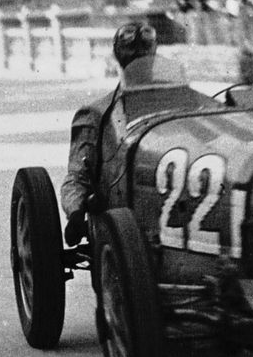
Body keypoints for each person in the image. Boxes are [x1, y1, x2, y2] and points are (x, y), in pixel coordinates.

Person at [59, 20, 215, 246]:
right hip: (124, 220)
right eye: (132, 49)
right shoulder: (96, 114)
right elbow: (78, 176)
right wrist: (75, 212)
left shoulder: (192, 99)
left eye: (143, 50)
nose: (139, 54)